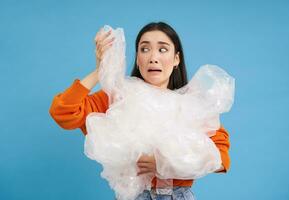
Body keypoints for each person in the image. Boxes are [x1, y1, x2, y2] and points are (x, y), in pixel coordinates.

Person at [49, 22, 231, 200]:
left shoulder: (191, 106)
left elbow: (221, 159)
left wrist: (165, 163)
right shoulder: (118, 98)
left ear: (176, 59)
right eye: (145, 49)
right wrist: (100, 71)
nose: (153, 57)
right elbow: (63, 111)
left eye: (162, 49)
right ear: (137, 58)